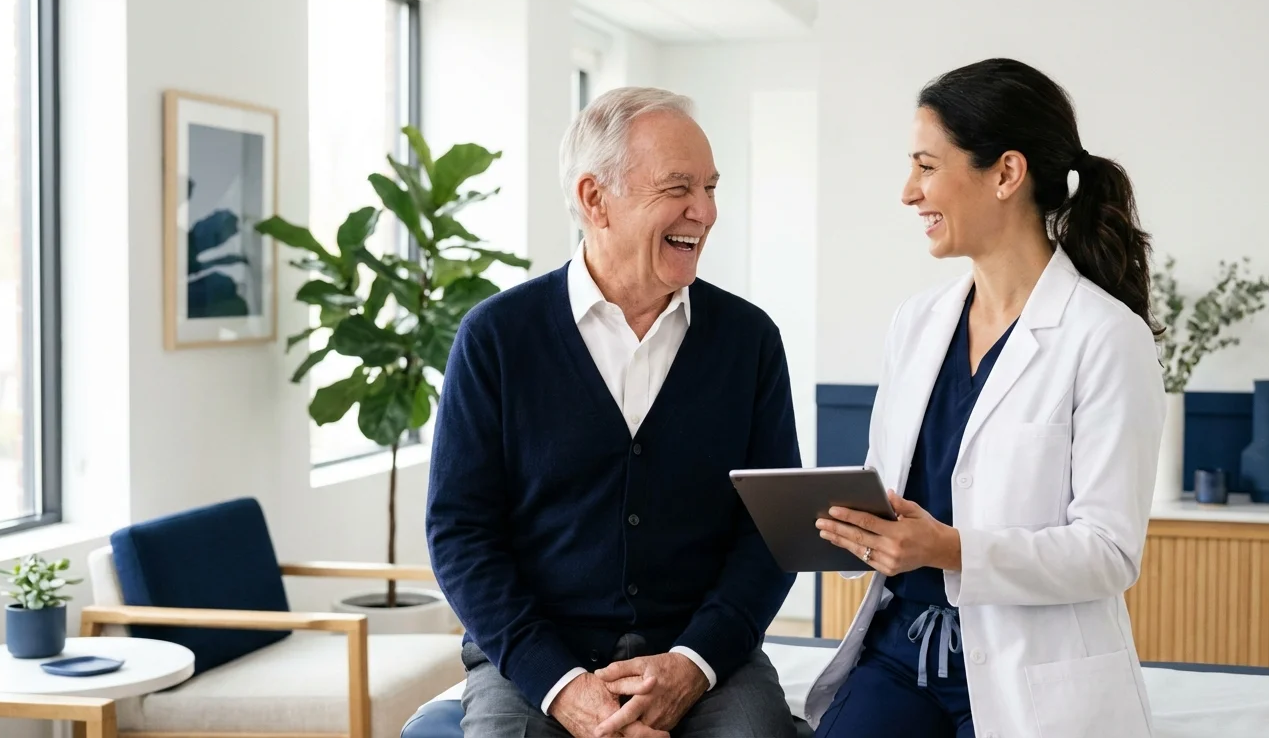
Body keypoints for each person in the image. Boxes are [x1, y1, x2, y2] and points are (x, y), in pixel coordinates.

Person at [804, 58, 1167, 738]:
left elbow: (1109, 552)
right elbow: (891, 488)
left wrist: (948, 548)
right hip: (900, 657)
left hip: (1027, 676)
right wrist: (855, 529)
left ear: (1005, 173)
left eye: (926, 165)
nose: (908, 192)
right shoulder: (916, 325)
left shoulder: (1106, 338)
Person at [427, 86, 801, 738]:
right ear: (596, 199)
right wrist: (562, 685)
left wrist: (694, 662)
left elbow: (769, 535)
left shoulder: (750, 341)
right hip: (537, 657)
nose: (706, 211)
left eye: (711, 187)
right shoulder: (495, 338)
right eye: (678, 187)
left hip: (700, 653)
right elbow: (461, 535)